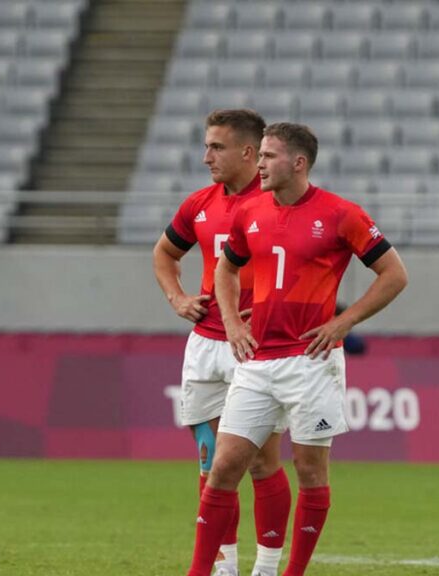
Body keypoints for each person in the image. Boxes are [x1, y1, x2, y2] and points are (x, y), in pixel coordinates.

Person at [188, 123, 408, 576]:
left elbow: (394, 274)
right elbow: (225, 272)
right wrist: (231, 322)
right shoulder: (249, 212)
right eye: (261, 155)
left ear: (298, 163)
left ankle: (287, 573)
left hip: (312, 363)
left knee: (309, 472)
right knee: (224, 467)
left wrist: (345, 321)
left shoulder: (341, 214)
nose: (260, 165)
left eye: (268, 156)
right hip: (257, 360)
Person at [153, 109, 291, 576]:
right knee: (212, 461)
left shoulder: (278, 204)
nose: (205, 156)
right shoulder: (199, 204)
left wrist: (273, 308)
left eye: (216, 147)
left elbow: (309, 267)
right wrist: (177, 297)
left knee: (260, 461)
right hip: (205, 343)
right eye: (206, 145)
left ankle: (268, 567)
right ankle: (224, 566)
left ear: (248, 153)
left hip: (256, 348)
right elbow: (165, 253)